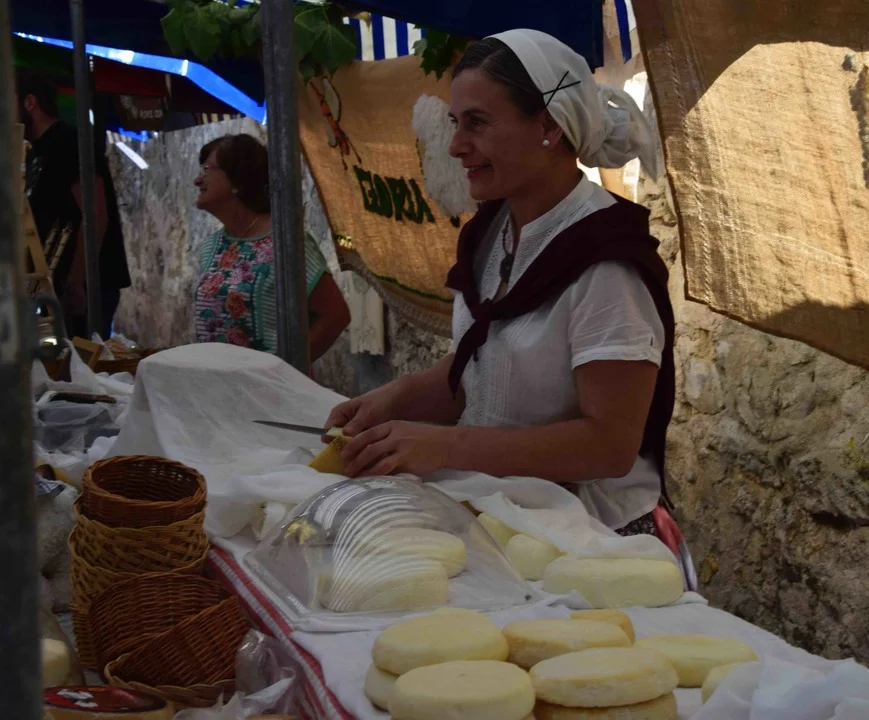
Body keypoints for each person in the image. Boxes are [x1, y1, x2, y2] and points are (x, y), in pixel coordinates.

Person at [325, 30, 675, 539]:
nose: (456, 146)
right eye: (456, 123)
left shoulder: (607, 265)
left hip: (589, 537)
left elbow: (609, 446)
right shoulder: (492, 235)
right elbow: (487, 368)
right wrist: (396, 398)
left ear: (549, 126)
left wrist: (444, 446)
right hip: (505, 515)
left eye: (478, 123)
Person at [193, 133, 350, 361]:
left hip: (264, 382)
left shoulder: (285, 243)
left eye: (207, 169)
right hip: (214, 380)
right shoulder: (212, 246)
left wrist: (284, 369)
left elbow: (335, 315)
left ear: (237, 181)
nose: (198, 180)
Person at [19, 72, 131, 338]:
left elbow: (95, 214)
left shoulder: (68, 142)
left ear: (30, 102)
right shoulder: (35, 151)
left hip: (84, 288)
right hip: (54, 288)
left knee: (83, 360)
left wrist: (76, 281)